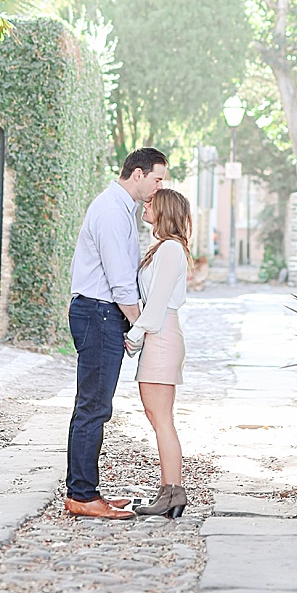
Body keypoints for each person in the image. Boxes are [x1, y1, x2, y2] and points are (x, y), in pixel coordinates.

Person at [65, 146, 167, 520]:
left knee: (93, 406)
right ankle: (82, 495)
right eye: (157, 178)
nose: (159, 187)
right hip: (99, 314)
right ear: (137, 174)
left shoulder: (121, 210)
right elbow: (121, 282)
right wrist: (140, 326)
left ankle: (84, 490)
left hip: (100, 314)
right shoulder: (112, 211)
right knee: (93, 407)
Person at [124, 187, 192, 518]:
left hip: (161, 335)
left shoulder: (170, 250)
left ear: (164, 210)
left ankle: (173, 492)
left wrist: (134, 336)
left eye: (152, 202)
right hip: (159, 334)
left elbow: (158, 302)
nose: (145, 205)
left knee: (162, 419)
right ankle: (169, 491)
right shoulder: (163, 248)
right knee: (157, 417)